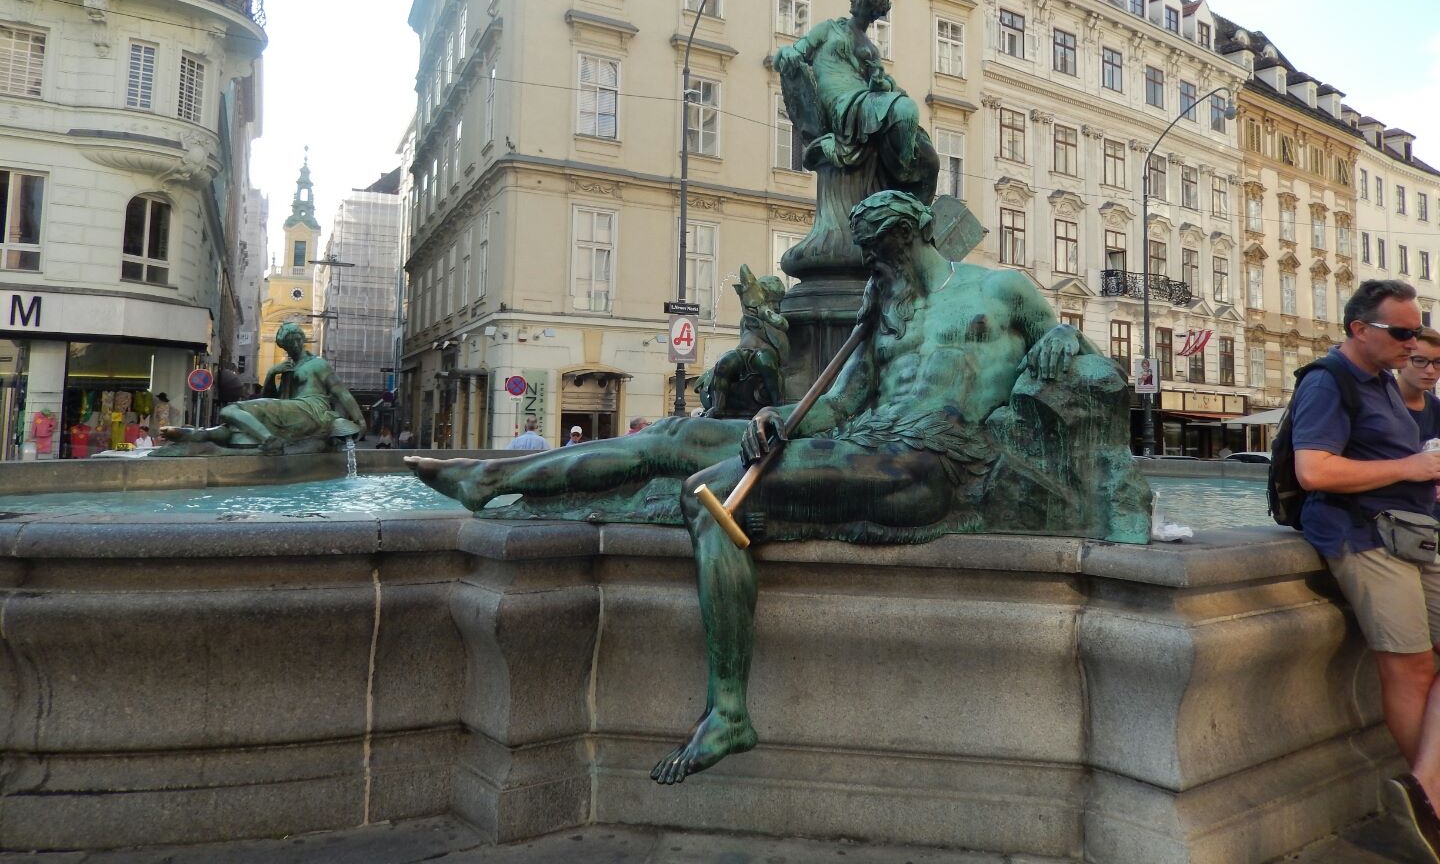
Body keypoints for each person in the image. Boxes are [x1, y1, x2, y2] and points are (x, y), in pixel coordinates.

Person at [407, 190, 1125, 784]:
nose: (874, 277)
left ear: (907, 240)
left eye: (878, 261)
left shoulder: (1003, 291)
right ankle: (491, 480)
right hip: (860, 443)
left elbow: (1091, 370)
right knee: (676, 437)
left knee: (708, 497)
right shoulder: (884, 312)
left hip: (930, 464)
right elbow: (839, 405)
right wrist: (777, 415)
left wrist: (1069, 343)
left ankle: (729, 713)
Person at [1290, 280, 1440, 859]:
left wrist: (1424, 474)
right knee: (1410, 668)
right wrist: (1414, 464)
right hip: (1363, 537)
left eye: (1415, 330)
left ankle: (1424, 784)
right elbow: (1315, 471)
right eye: (1402, 332)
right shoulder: (1329, 382)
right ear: (1360, 329)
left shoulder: (1382, 382)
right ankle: (1432, 803)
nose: (1411, 342)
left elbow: (1394, 464)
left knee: (1418, 666)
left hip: (1411, 535)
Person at [774, 0, 939, 202]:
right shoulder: (828, 28)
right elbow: (793, 51)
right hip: (838, 100)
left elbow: (880, 79)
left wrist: (882, 84)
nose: (855, 1)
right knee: (905, 109)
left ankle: (910, 195)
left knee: (920, 139)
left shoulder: (871, 49)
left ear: (872, 10)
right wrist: (788, 54)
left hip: (862, 96)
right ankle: (904, 171)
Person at [158, 323, 365, 454]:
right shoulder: (287, 368)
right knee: (235, 425)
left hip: (312, 411)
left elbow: (341, 393)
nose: (289, 350)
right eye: (285, 347)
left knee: (230, 411)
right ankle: (195, 435)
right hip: (291, 410)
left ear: (300, 341)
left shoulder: (317, 364)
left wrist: (360, 420)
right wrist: (271, 374)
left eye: (291, 344)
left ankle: (268, 440)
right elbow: (269, 399)